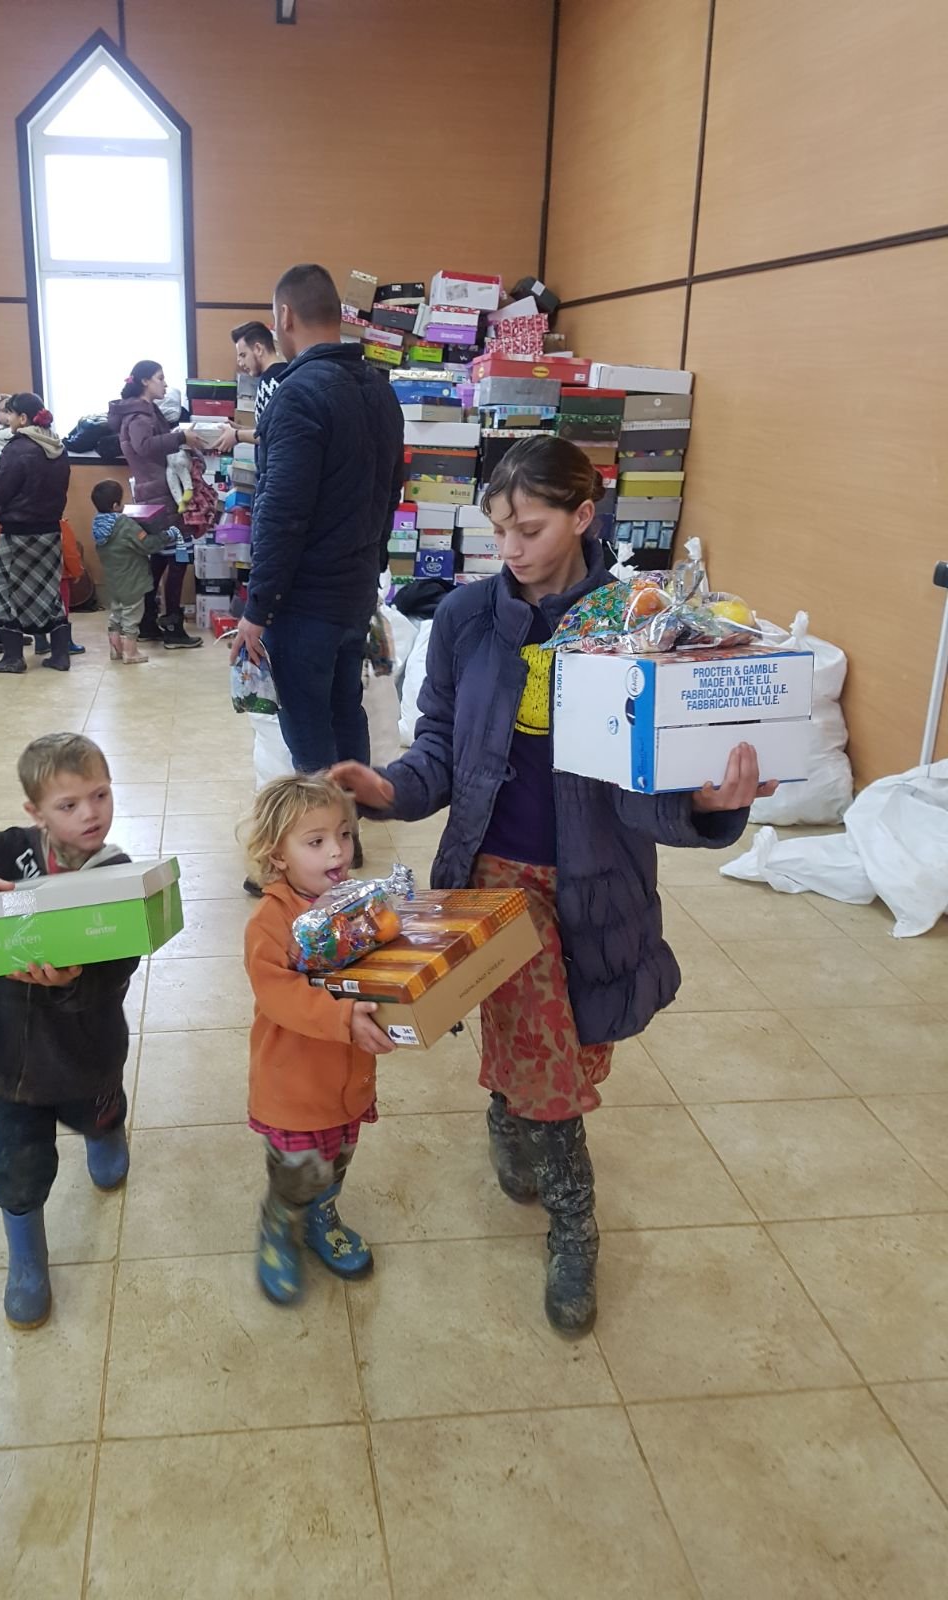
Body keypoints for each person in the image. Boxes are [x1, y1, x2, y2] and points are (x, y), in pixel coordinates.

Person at [330, 435, 774, 1335]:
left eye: (529, 529)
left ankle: (509, 1111)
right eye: (498, 531)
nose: (512, 550)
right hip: (491, 876)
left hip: (595, 877)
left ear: (583, 515)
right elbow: (441, 746)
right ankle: (576, 1227)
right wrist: (389, 788)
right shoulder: (466, 618)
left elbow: (647, 784)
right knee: (545, 1054)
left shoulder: (634, 624)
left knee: (572, 1045)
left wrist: (707, 804)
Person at [0, 733, 139, 1329]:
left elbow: (122, 963)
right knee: (18, 1168)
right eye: (68, 804)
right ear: (36, 812)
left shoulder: (115, 873)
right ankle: (27, 1262)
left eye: (100, 795)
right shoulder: (11, 851)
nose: (90, 813)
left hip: (87, 1053)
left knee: (98, 1114)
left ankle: (106, 1133)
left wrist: (73, 981)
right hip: (8, 1062)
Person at [228, 264, 405, 774]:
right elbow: (389, 494)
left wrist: (257, 609)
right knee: (347, 714)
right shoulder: (379, 390)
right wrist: (372, 571)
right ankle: (350, 817)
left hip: (304, 601)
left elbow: (280, 514)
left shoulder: (297, 394)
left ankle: (323, 823)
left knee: (308, 734)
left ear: (285, 316)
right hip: (355, 593)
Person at [242, 773, 394, 1304]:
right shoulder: (270, 923)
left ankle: (321, 1217)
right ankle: (280, 1224)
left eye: (344, 834)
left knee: (339, 1157)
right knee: (299, 1173)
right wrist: (343, 1019)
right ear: (277, 855)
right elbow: (279, 995)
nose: (338, 851)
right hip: (293, 1086)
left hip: (348, 1077)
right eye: (316, 841)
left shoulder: (355, 906)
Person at [107, 361, 212, 649]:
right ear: (144, 381)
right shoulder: (139, 415)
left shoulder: (142, 411)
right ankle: (172, 626)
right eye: (160, 378)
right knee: (178, 557)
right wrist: (180, 437)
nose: (165, 384)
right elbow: (144, 447)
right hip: (161, 496)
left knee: (159, 558)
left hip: (154, 494)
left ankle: (148, 622)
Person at [0, 393, 71, 675]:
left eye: (10, 413)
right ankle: (60, 655)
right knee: (50, 591)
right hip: (50, 531)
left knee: (5, 590)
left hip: (18, 533)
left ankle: (13, 658)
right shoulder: (58, 446)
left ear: (23, 418)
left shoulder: (18, 447)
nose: (7, 419)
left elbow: (0, 492)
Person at [90, 478, 182, 663]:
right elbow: (147, 544)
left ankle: (115, 650)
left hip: (114, 581)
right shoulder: (124, 524)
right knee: (132, 616)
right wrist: (168, 535)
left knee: (116, 614)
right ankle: (130, 653)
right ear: (115, 505)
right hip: (132, 580)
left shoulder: (98, 525)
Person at [229, 320, 288, 446]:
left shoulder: (269, 382)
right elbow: (266, 428)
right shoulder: (285, 373)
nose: (240, 363)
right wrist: (239, 428)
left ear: (258, 349)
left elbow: (271, 435)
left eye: (243, 355)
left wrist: (236, 435)